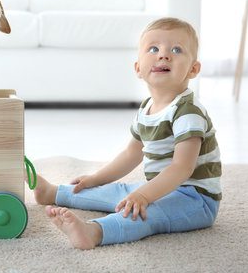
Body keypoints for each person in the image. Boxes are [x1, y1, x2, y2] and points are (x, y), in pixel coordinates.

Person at [32, 17, 221, 249]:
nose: (163, 55)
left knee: (144, 212)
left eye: (176, 49)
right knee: (118, 192)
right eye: (153, 48)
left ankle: (95, 232)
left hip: (195, 199)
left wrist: (144, 196)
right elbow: (132, 153)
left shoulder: (188, 112)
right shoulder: (146, 108)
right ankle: (54, 192)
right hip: (161, 186)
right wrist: (96, 178)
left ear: (193, 69)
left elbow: (182, 168)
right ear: (138, 68)